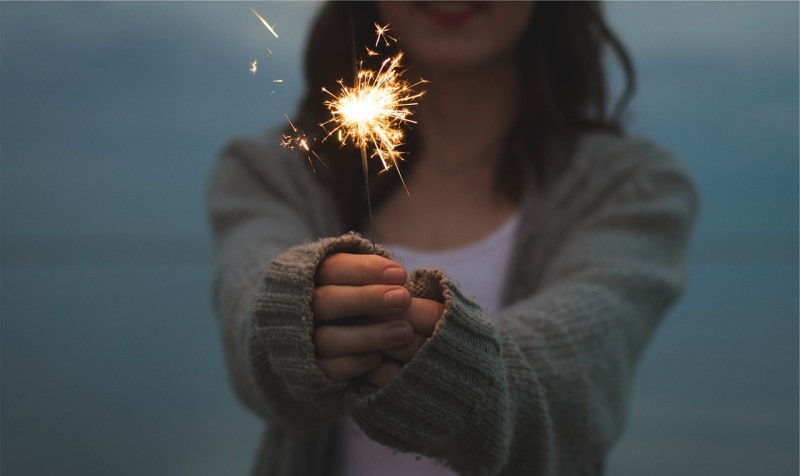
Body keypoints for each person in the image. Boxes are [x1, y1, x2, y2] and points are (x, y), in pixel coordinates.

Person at [207, 1, 698, 475]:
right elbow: (250, 317)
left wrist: (457, 366)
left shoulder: (632, 187)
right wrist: (297, 315)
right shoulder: (272, 172)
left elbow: (585, 367)